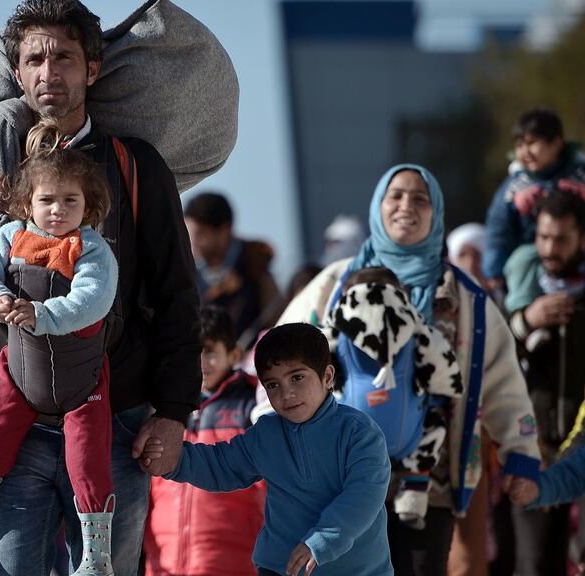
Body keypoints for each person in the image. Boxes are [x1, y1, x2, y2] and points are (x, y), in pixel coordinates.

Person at [0, 1, 201, 574]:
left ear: (92, 69)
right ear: (18, 74)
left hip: (114, 416)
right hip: (13, 421)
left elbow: (176, 295)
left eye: (64, 58)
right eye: (35, 59)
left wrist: (172, 411)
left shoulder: (135, 166)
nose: (50, 73)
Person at [278, 164, 541, 575]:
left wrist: (521, 455)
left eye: (420, 198)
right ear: (377, 206)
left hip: (427, 489)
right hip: (337, 483)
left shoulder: (465, 298)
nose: (406, 206)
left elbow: (503, 381)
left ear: (435, 211)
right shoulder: (334, 284)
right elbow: (281, 357)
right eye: (395, 196)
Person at [0, 119, 119, 574]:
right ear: (27, 203)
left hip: (81, 384)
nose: (57, 210)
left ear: (88, 205)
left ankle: (96, 556)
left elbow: (93, 300)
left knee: (87, 462)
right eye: (47, 200)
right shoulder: (9, 236)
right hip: (18, 374)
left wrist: (41, 315)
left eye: (69, 201)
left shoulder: (92, 249)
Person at [141, 323, 391, 576]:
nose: (287, 393)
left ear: (327, 377)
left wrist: (322, 540)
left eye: (297, 377)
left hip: (359, 570)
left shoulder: (359, 432)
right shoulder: (266, 434)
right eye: (273, 385)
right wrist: (172, 459)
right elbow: (220, 465)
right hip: (281, 568)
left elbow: (364, 495)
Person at [326, 266, 463, 530]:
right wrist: (449, 385)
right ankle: (414, 489)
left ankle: (351, 498)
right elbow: (445, 373)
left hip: (353, 437)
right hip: (409, 432)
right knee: (433, 419)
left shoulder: (339, 326)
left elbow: (313, 357)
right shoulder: (414, 326)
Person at [143, 305, 264, 576]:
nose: (200, 361)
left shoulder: (253, 405)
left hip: (235, 562)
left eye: (209, 351)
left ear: (233, 354)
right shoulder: (160, 407)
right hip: (164, 562)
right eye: (192, 351)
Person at [501, 190, 585, 575]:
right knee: (533, 565)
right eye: (544, 237)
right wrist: (526, 321)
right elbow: (491, 359)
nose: (550, 248)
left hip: (580, 447)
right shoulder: (519, 292)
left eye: (562, 239)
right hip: (533, 448)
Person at [484, 108, 585, 288]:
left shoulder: (580, 176)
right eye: (519, 146)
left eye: (532, 143)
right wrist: (494, 271)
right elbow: (498, 229)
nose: (525, 152)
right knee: (519, 262)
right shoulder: (514, 187)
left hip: (577, 256)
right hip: (533, 261)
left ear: (557, 142)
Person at [183, 192, 281, 349]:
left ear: (223, 230)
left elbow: (277, 323)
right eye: (188, 234)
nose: (193, 242)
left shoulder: (254, 268)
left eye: (200, 234)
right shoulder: (187, 272)